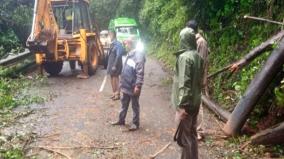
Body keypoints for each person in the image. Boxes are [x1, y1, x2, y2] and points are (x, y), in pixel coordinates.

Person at [172, 27, 204, 159]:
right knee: (191, 134)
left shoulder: (185, 57)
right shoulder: (197, 56)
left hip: (187, 104)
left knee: (185, 138)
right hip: (195, 102)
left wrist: (182, 105)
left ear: (184, 40)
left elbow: (185, 82)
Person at [112, 38, 146, 131]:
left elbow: (140, 73)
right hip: (126, 85)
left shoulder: (138, 56)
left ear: (130, 44)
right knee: (124, 104)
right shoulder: (130, 54)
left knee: (135, 105)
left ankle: (135, 123)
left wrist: (138, 86)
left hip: (133, 86)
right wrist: (121, 83)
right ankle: (121, 120)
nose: (125, 45)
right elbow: (125, 70)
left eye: (126, 44)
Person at [107, 30, 124, 100]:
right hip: (111, 64)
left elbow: (118, 55)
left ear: (113, 35)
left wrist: (114, 65)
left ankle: (117, 94)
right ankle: (114, 93)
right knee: (112, 77)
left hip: (116, 64)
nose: (109, 36)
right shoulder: (112, 44)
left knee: (115, 78)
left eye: (110, 35)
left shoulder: (118, 44)